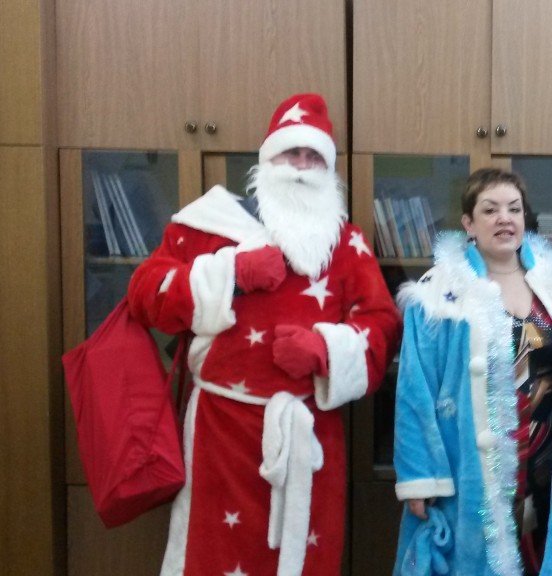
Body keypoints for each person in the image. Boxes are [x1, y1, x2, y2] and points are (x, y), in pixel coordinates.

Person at [127, 93, 401, 576]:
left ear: (328, 170)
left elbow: (382, 325)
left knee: (304, 559)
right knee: (211, 556)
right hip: (219, 436)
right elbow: (146, 294)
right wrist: (231, 273)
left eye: (313, 156)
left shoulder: (347, 244)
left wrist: (325, 349)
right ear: (267, 160)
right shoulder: (208, 226)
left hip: (306, 436)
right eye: (291, 153)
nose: (301, 167)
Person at [391, 168, 552, 575]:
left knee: (542, 556)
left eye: (514, 209)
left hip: (546, 463)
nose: (504, 219)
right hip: (470, 469)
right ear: (468, 223)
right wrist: (422, 478)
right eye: (490, 210)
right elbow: (414, 392)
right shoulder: (438, 296)